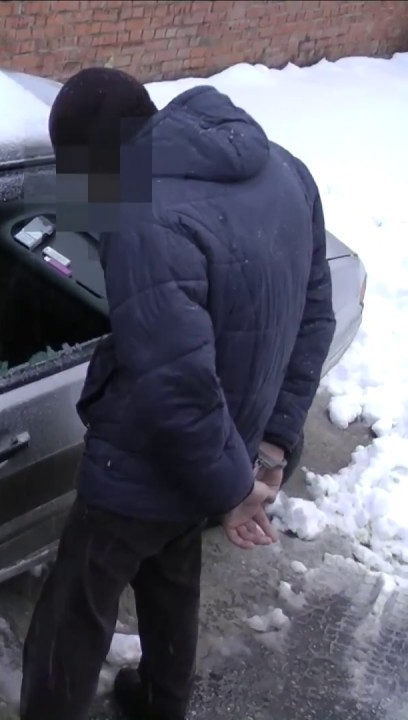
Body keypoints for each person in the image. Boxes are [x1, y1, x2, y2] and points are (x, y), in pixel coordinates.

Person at [18, 67, 336, 720]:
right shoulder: (286, 171)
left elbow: (178, 387)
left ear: (96, 158)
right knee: (171, 576)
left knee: (72, 615)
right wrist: (267, 451)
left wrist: (233, 489)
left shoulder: (141, 216)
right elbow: (314, 319)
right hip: (228, 445)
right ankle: (161, 703)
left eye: (77, 172)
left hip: (143, 457)